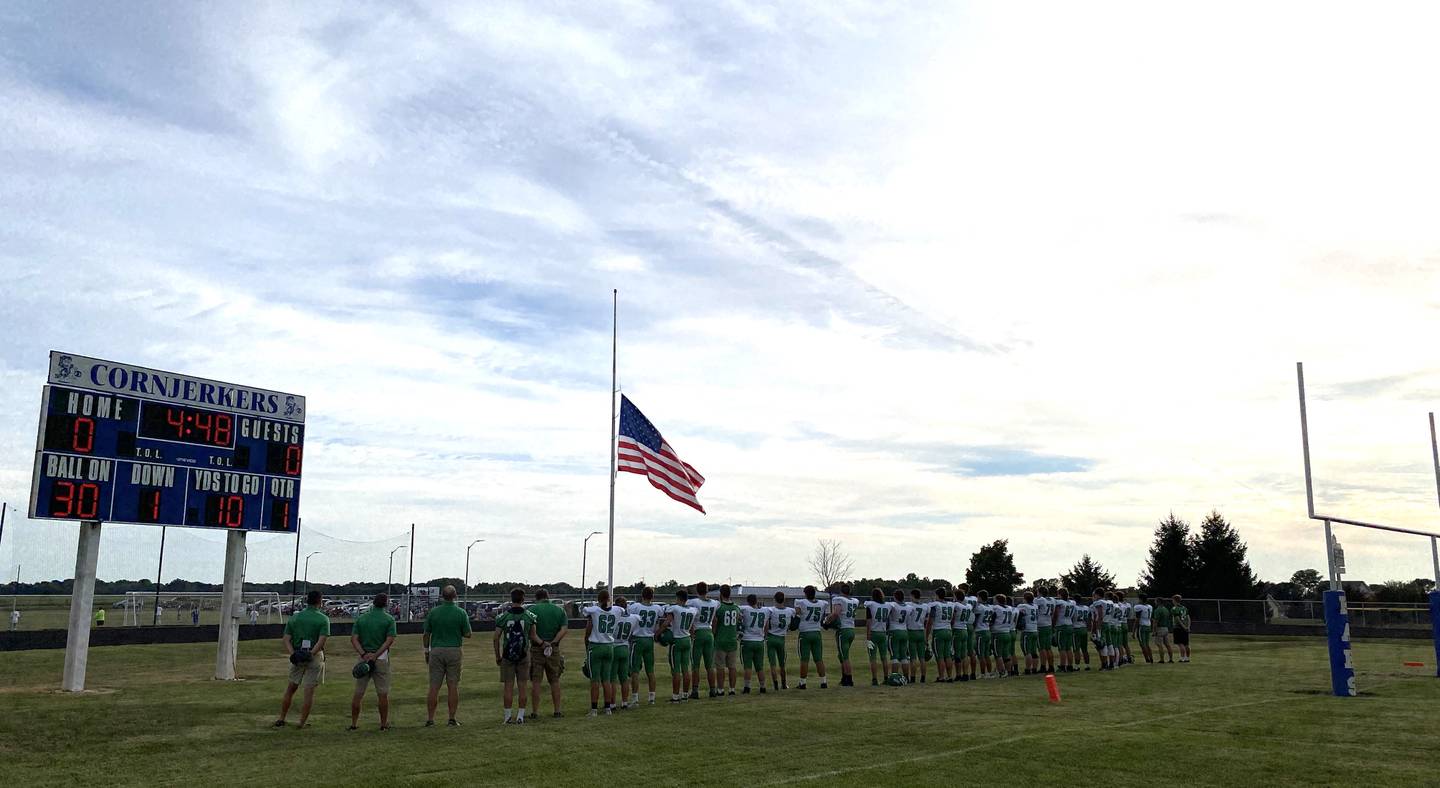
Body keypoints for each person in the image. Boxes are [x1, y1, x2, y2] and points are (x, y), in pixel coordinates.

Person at [274, 589, 329, 728]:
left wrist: (293, 653)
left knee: (291, 688)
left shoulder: (295, 617)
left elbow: (286, 639)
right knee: (309, 690)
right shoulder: (323, 619)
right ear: (319, 601)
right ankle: (301, 722)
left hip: (297, 654)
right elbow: (321, 640)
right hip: (314, 656)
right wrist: (311, 653)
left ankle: (282, 718)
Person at [423, 585, 472, 727]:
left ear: (442, 596)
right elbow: (468, 634)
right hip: (454, 650)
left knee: (434, 686)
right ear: (455, 596)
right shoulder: (461, 613)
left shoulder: (434, 612)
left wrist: (427, 651)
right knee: (452, 686)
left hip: (436, 650)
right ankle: (451, 718)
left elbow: (426, 634)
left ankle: (430, 719)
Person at [349, 592, 397, 731]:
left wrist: (364, 654)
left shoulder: (362, 619)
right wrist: (376, 655)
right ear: (386, 604)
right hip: (381, 659)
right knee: (382, 694)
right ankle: (383, 724)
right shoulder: (389, 619)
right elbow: (389, 640)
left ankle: (354, 723)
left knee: (358, 693)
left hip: (363, 658)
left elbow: (354, 639)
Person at [495, 588, 539, 724]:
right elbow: (533, 636)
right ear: (523, 599)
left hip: (507, 655)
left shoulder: (503, 617)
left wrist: (498, 656)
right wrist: (544, 643)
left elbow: (496, 638)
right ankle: (520, 716)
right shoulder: (529, 616)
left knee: (508, 686)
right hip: (523, 655)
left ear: (511, 599)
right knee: (522, 686)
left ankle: (507, 716)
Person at [527, 588, 569, 719]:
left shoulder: (531, 610)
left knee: (536, 682)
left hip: (536, 649)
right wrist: (554, 642)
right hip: (553, 649)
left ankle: (535, 712)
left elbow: (530, 632)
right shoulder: (559, 610)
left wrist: (541, 642)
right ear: (548, 597)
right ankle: (557, 711)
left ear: (536, 598)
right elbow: (564, 629)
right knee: (555, 681)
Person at [581, 588, 619, 716]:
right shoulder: (617, 610)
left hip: (596, 646)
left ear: (598, 599)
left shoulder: (595, 610)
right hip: (609, 646)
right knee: (606, 679)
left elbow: (584, 611)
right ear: (609, 599)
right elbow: (622, 611)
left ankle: (594, 709)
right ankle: (608, 708)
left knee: (595, 680)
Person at [627, 587, 665, 706]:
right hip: (649, 639)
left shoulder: (635, 607)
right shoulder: (657, 608)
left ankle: (635, 699)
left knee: (635, 671)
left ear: (641, 595)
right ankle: (652, 698)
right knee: (650, 671)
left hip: (638, 639)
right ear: (652, 596)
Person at [659, 589, 696, 702]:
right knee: (686, 669)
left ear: (678, 598)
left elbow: (666, 622)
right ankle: (685, 695)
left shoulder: (675, 608)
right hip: (687, 639)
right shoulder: (693, 610)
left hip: (677, 640)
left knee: (676, 670)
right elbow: (693, 627)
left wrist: (658, 633)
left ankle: (675, 696)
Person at [687, 581, 720, 698]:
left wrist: (691, 632)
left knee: (695, 664)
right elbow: (715, 620)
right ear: (707, 590)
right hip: (709, 632)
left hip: (698, 632)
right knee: (709, 665)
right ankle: (713, 690)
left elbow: (689, 617)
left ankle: (695, 691)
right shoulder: (715, 603)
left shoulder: (693, 602)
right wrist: (713, 632)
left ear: (697, 590)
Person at [793, 585, 828, 689]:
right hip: (817, 632)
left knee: (804, 659)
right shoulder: (823, 603)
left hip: (805, 633)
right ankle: (823, 682)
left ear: (805, 593)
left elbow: (797, 613)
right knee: (818, 659)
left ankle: (802, 683)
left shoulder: (801, 603)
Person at [825, 583, 859, 686]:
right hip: (851, 629)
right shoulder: (855, 601)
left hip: (843, 630)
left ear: (841, 591)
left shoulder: (839, 600)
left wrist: (826, 621)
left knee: (844, 656)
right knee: (842, 655)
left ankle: (848, 679)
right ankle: (844, 677)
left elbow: (836, 613)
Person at [713, 585, 741, 696]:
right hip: (732, 640)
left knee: (720, 667)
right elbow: (739, 619)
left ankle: (720, 689)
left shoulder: (719, 608)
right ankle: (732, 689)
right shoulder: (736, 607)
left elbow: (715, 624)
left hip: (721, 640)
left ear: (721, 594)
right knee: (732, 667)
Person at [739, 593, 769, 693]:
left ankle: (747, 687)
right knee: (759, 667)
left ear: (748, 601)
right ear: (757, 601)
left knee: (748, 666)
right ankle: (763, 687)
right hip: (759, 641)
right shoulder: (765, 610)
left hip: (747, 640)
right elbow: (766, 625)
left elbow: (736, 609)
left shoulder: (745, 609)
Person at [763, 591, 793, 691]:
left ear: (774, 599)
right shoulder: (790, 611)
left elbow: (766, 624)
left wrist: (765, 635)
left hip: (771, 637)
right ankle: (784, 684)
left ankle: (776, 684)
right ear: (784, 600)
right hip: (781, 638)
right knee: (782, 664)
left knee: (773, 664)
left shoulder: (770, 610)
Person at [612, 596, 639, 708]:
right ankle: (624, 702)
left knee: (612, 678)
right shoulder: (634, 618)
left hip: (614, 647)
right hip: (625, 647)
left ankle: (612, 704)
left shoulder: (614, 617)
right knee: (624, 678)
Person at [862, 587, 891, 686]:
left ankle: (874, 679)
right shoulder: (888, 605)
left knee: (873, 658)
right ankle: (886, 678)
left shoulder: (870, 605)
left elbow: (869, 622)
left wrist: (868, 636)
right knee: (884, 657)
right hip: (883, 633)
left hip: (873, 633)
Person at [929, 587, 954, 682]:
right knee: (948, 655)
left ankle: (941, 676)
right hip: (948, 630)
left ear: (937, 595)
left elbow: (930, 622)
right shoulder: (950, 605)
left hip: (939, 631)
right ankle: (950, 676)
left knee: (940, 656)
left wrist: (927, 635)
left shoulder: (936, 605)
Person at [906, 588, 931, 683]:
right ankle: (923, 678)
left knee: (913, 658)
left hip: (912, 632)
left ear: (912, 596)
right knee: (922, 658)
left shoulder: (909, 605)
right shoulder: (925, 606)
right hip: (921, 632)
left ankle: (912, 678)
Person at [886, 589, 910, 680]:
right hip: (904, 631)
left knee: (894, 656)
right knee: (904, 656)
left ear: (895, 597)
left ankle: (894, 677)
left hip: (894, 631)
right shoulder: (909, 607)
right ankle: (906, 677)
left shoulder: (892, 605)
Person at [953, 588, 974, 682]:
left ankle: (958, 674)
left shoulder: (956, 605)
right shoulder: (969, 606)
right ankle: (966, 674)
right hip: (965, 630)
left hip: (957, 630)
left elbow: (953, 617)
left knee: (957, 655)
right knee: (964, 654)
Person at [1035, 586, 1056, 675]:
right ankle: (1051, 666)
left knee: (1041, 648)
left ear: (1039, 592)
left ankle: (1043, 666)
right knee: (1048, 647)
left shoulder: (1040, 600)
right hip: (1048, 624)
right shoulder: (1052, 599)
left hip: (1041, 625)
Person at [1017, 591, 1039, 675]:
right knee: (1034, 651)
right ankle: (1034, 669)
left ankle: (1028, 669)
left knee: (1027, 652)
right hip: (1035, 629)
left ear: (1025, 598)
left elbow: (1018, 613)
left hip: (1027, 631)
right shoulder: (1035, 606)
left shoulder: (1022, 606)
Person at [972, 591, 993, 679]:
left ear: (980, 597)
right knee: (986, 654)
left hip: (980, 631)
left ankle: (983, 674)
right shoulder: (990, 607)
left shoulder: (980, 607)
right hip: (987, 630)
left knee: (981, 655)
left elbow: (975, 619)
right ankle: (989, 673)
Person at [1152, 596, 1174, 663]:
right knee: (1167, 644)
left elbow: (1156, 621)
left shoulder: (1157, 610)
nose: (1154, 602)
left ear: (1158, 602)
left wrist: (1154, 631)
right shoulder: (1166, 609)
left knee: (1160, 645)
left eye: (1155, 601)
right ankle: (1171, 659)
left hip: (1160, 628)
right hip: (1166, 628)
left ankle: (1162, 659)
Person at [1133, 597, 1154, 664]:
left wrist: (1133, 631)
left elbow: (1137, 619)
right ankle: (1151, 659)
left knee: (1143, 644)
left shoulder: (1139, 607)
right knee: (1147, 644)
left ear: (1141, 599)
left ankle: (1147, 659)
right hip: (1148, 625)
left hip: (1142, 626)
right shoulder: (1149, 607)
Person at [1171, 595, 1192, 662]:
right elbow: (1188, 618)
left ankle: (1182, 658)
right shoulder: (1184, 608)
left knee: (1180, 643)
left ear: (1175, 600)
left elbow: (1177, 619)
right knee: (1186, 644)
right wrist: (1188, 626)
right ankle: (1187, 658)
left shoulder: (1174, 609)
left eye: (1173, 600)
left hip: (1178, 627)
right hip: (1185, 627)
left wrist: (1184, 627)